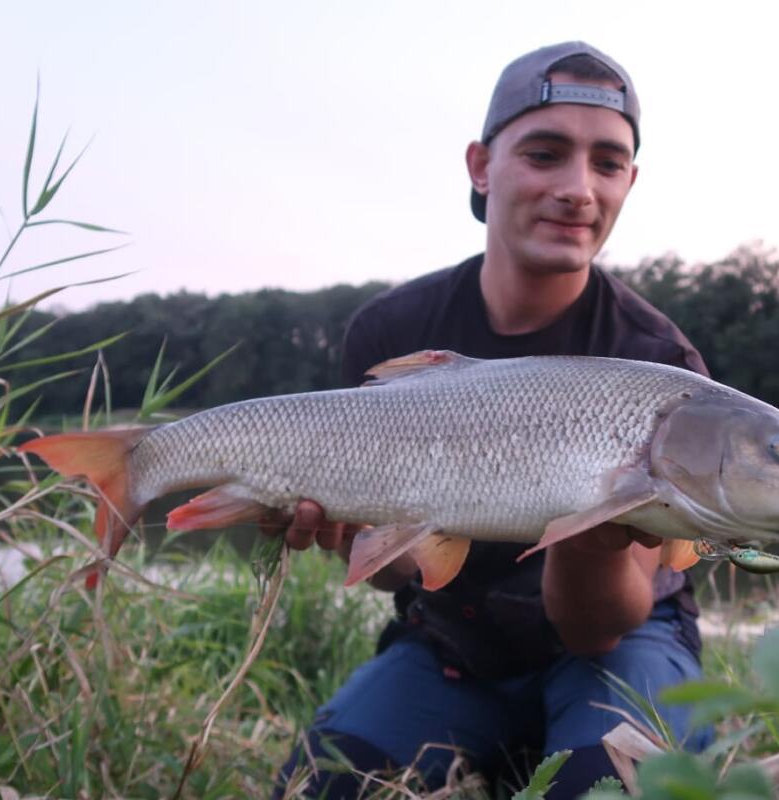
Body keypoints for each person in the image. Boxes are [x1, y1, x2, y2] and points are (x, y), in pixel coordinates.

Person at [273, 42, 711, 798]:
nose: (578, 189)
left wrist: (592, 529)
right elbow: (404, 570)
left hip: (618, 644)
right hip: (457, 640)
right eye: (545, 154)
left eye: (607, 164)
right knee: (325, 785)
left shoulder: (659, 367)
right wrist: (353, 529)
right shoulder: (391, 331)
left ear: (629, 182)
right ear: (481, 166)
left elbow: (599, 627)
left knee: (608, 784)